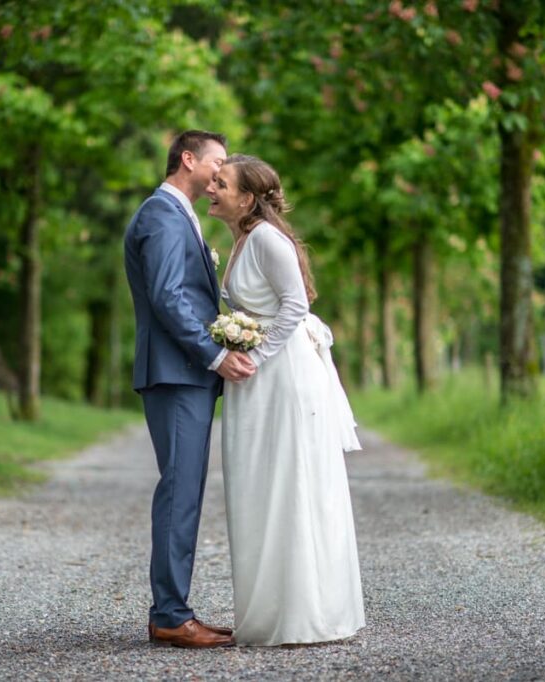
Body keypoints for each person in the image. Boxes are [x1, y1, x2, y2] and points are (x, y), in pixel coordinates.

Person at [206, 154, 365, 646]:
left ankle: (304, 613)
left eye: (222, 182)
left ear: (247, 198)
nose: (211, 186)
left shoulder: (269, 240)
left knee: (290, 484)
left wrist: (257, 356)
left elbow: (296, 304)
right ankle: (269, 608)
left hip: (284, 377)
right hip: (261, 378)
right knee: (260, 487)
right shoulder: (242, 240)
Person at [123, 131, 256, 648]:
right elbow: (167, 297)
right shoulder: (160, 214)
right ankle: (171, 615)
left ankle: (174, 610)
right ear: (188, 160)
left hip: (184, 373)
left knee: (186, 491)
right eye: (217, 162)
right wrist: (216, 354)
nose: (224, 171)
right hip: (177, 372)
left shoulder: (179, 215)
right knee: (180, 493)